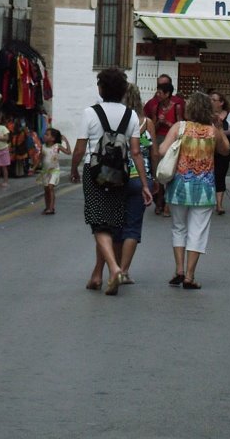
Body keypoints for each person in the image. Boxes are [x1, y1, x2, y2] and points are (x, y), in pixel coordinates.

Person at [70, 67, 153, 295]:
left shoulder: (90, 113)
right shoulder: (132, 115)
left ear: (101, 88)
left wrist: (73, 168)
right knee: (112, 222)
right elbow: (136, 152)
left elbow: (79, 148)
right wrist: (145, 185)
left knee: (99, 223)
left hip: (94, 172)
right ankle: (97, 274)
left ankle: (114, 269)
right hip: (121, 173)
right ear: (124, 90)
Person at [160, 90, 230, 289]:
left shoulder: (179, 127)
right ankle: (190, 276)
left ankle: (179, 270)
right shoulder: (212, 131)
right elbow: (224, 151)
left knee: (179, 228)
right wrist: (218, 127)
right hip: (205, 188)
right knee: (197, 231)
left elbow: (162, 150)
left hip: (179, 186)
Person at [112, 83, 157, 284]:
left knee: (115, 225)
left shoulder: (114, 121)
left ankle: (115, 267)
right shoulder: (146, 123)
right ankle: (124, 270)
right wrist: (153, 178)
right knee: (132, 226)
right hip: (140, 177)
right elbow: (154, 153)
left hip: (115, 177)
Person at [143, 74, 185, 216]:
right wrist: (158, 122)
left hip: (172, 138)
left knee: (171, 171)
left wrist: (166, 123)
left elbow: (180, 125)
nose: (157, 95)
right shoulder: (155, 106)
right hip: (159, 138)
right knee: (160, 172)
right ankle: (159, 201)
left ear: (167, 94)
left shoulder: (177, 105)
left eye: (160, 92)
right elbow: (151, 125)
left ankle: (167, 203)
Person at [37, 127, 71, 214]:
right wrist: (33, 168)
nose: (44, 136)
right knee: (46, 189)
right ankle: (47, 207)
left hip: (54, 170)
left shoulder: (57, 146)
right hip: (45, 171)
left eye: (47, 134)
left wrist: (66, 141)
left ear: (53, 138)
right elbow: (40, 158)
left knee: (50, 187)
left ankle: (51, 208)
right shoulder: (43, 147)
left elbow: (68, 152)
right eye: (45, 134)